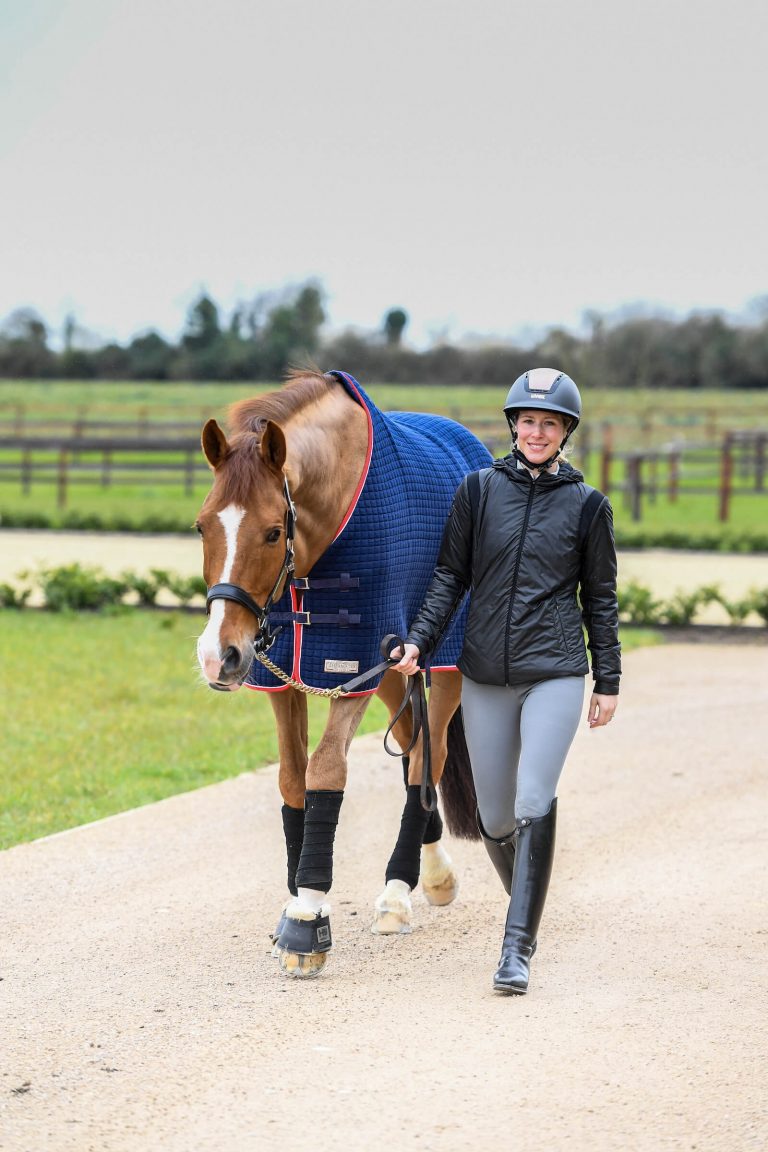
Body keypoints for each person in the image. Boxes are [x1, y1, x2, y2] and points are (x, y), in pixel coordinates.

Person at [392, 368, 621, 995]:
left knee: (530, 800)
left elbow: (600, 599)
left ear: (566, 431)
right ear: (513, 426)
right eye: (528, 421)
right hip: (485, 674)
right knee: (493, 817)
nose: (537, 432)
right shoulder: (477, 492)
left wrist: (608, 678)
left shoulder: (588, 507)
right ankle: (528, 905)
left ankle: (515, 948)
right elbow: (449, 580)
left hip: (555, 673)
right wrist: (420, 641)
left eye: (550, 423)